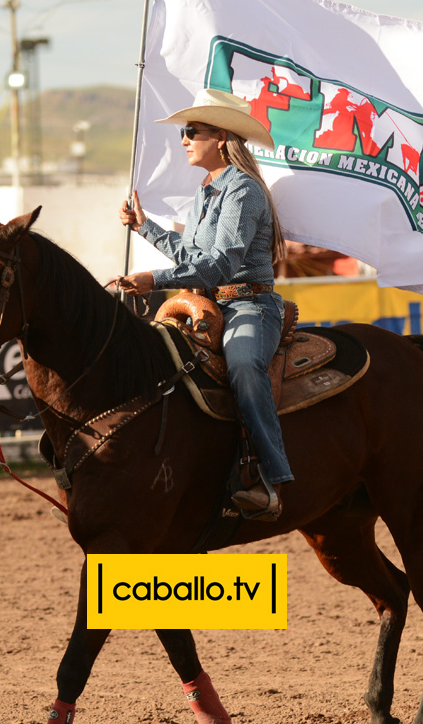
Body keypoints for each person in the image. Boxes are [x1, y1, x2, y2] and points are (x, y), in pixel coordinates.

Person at [116, 88, 293, 521]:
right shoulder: (207, 192)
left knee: (244, 368)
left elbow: (217, 266)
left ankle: (270, 480)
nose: (184, 140)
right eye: (185, 132)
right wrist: (146, 228)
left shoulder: (244, 192)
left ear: (221, 137)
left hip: (250, 307)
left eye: (192, 131)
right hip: (209, 306)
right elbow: (193, 257)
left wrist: (152, 280)